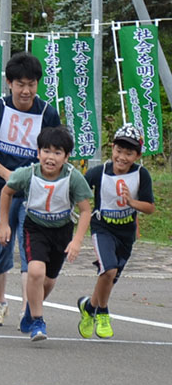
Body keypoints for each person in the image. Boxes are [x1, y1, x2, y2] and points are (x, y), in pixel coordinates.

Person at [0, 51, 61, 326]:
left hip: (35, 192)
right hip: (0, 188)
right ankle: (0, 303)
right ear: (9, 83)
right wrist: (6, 173)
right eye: (20, 84)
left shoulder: (47, 113)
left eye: (32, 84)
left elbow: (56, 153)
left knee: (31, 252)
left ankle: (28, 307)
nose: (26, 90)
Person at [0, 126, 92, 342]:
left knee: (48, 281)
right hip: (35, 228)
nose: (51, 157)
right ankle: (38, 321)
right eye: (46, 151)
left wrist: (77, 241)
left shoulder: (73, 178)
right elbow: (6, 191)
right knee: (35, 271)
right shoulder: (28, 173)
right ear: (38, 152)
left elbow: (86, 210)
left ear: (67, 157)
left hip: (62, 231)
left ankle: (32, 310)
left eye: (58, 153)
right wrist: (4, 223)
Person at [78, 124, 155, 339]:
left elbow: (149, 207)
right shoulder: (98, 172)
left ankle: (89, 307)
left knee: (109, 277)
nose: (122, 157)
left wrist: (132, 202)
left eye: (129, 153)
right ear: (112, 149)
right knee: (108, 270)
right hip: (102, 227)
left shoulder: (142, 174)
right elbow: (78, 190)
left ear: (137, 155)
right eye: (118, 151)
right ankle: (102, 312)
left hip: (126, 232)